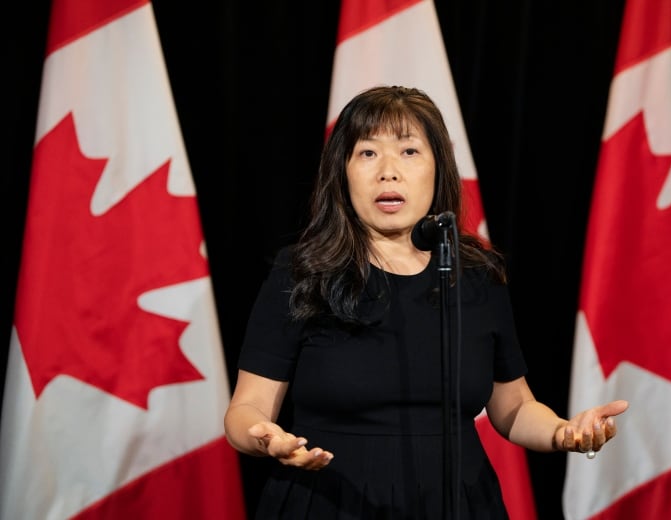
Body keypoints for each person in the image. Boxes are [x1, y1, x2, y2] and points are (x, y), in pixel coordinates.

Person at [224, 85, 629, 519]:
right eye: (367, 153)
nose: (388, 172)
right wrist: (265, 436)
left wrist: (565, 433)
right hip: (329, 501)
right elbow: (244, 411)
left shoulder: (476, 275)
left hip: (457, 503)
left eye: (409, 151)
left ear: (438, 169)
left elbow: (514, 408)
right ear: (341, 171)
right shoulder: (302, 273)